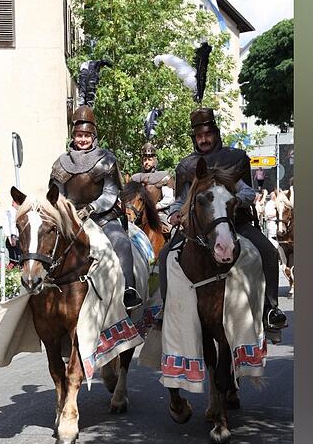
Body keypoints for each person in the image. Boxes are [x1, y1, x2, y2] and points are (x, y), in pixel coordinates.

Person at [158, 107, 287, 332]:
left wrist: (234, 201)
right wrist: (175, 213)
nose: (204, 140)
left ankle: (270, 308)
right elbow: (180, 200)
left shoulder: (233, 159)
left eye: (207, 134)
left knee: (268, 251)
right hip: (200, 228)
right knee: (165, 255)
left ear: (216, 134)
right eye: (199, 136)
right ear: (194, 139)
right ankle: (167, 308)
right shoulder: (187, 166)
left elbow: (248, 192)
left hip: (235, 223)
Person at [49, 104, 143, 309]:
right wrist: (68, 212)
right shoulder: (61, 163)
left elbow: (110, 193)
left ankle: (128, 290)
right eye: (79, 135)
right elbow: (58, 195)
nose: (82, 139)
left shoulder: (105, 159)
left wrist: (91, 208)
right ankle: (41, 285)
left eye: (86, 135)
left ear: (93, 136)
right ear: (73, 136)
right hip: (71, 217)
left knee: (121, 242)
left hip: (102, 216)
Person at [130, 142, 175, 231]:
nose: (147, 162)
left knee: (172, 230)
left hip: (158, 213)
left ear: (154, 161)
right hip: (138, 214)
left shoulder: (163, 176)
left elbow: (169, 198)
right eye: (145, 160)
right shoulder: (135, 178)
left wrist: (156, 206)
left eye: (149, 159)